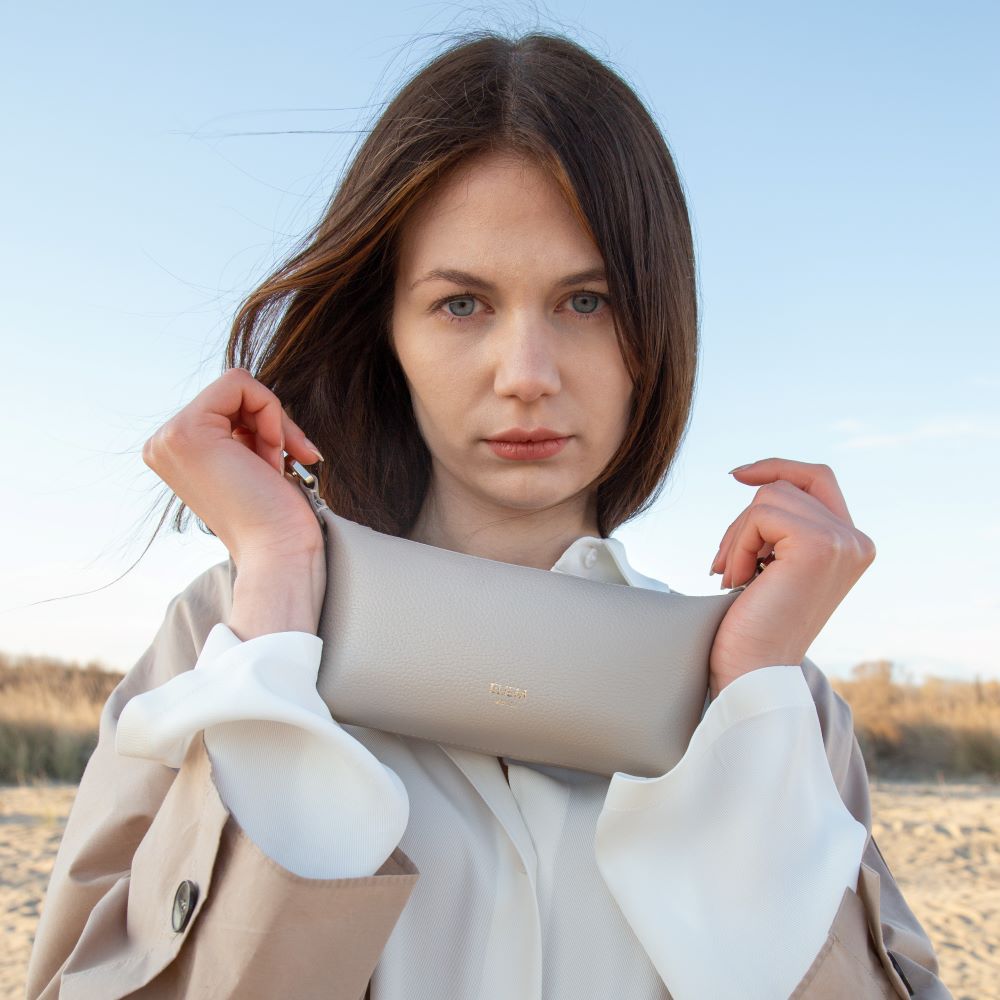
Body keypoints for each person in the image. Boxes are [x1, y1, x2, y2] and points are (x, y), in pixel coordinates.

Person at [25, 30, 951, 1000]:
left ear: (658, 326)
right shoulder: (229, 639)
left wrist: (747, 711)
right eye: (462, 304)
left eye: (585, 301)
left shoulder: (773, 698)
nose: (526, 375)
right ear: (386, 328)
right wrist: (277, 614)